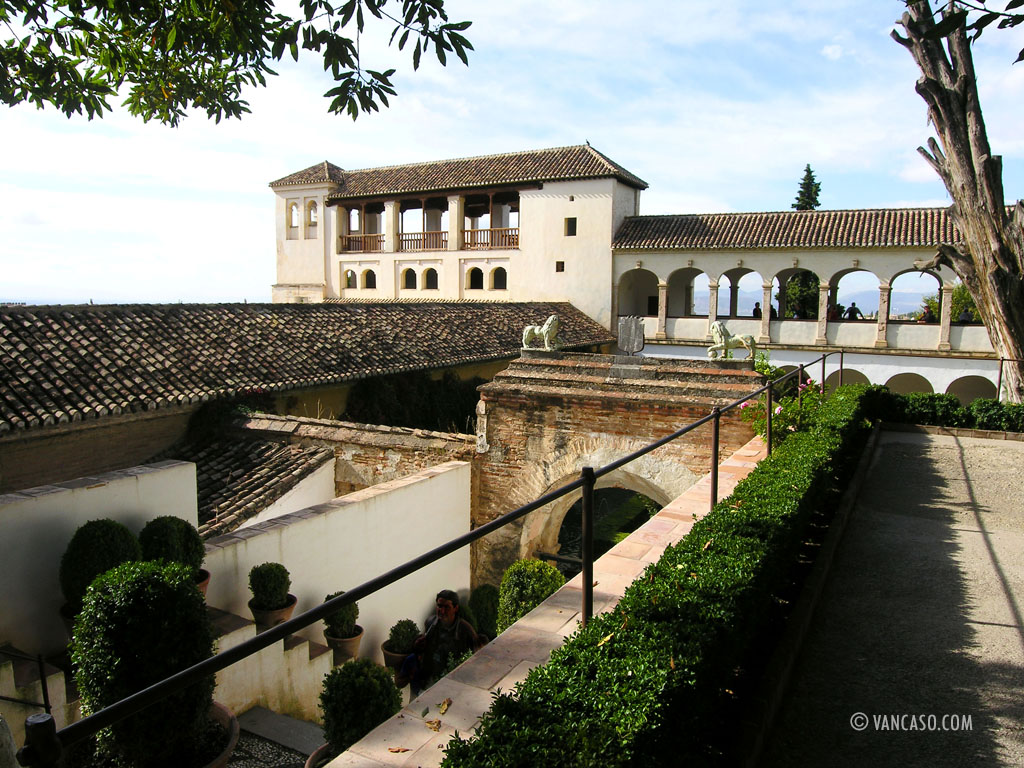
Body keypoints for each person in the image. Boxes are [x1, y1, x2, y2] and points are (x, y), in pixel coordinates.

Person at [395, 589, 481, 695]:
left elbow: (476, 659)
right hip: (427, 681)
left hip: (451, 683)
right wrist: (417, 646)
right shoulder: (431, 623)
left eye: (447, 607)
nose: (442, 611)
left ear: (455, 608)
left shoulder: (466, 630)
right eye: (440, 606)